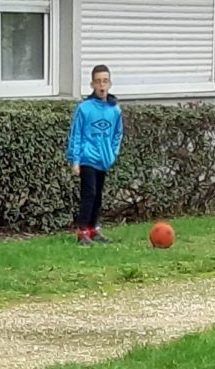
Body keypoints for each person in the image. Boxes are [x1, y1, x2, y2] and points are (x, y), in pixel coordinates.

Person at [68, 64, 122, 244]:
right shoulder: (84, 108)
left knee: (98, 195)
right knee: (89, 193)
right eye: (98, 81)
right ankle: (82, 230)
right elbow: (76, 134)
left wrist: (113, 153)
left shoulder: (114, 110)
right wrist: (75, 159)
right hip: (87, 158)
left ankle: (93, 229)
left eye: (105, 81)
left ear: (110, 84)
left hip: (103, 159)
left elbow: (117, 134)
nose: (101, 85)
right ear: (92, 84)